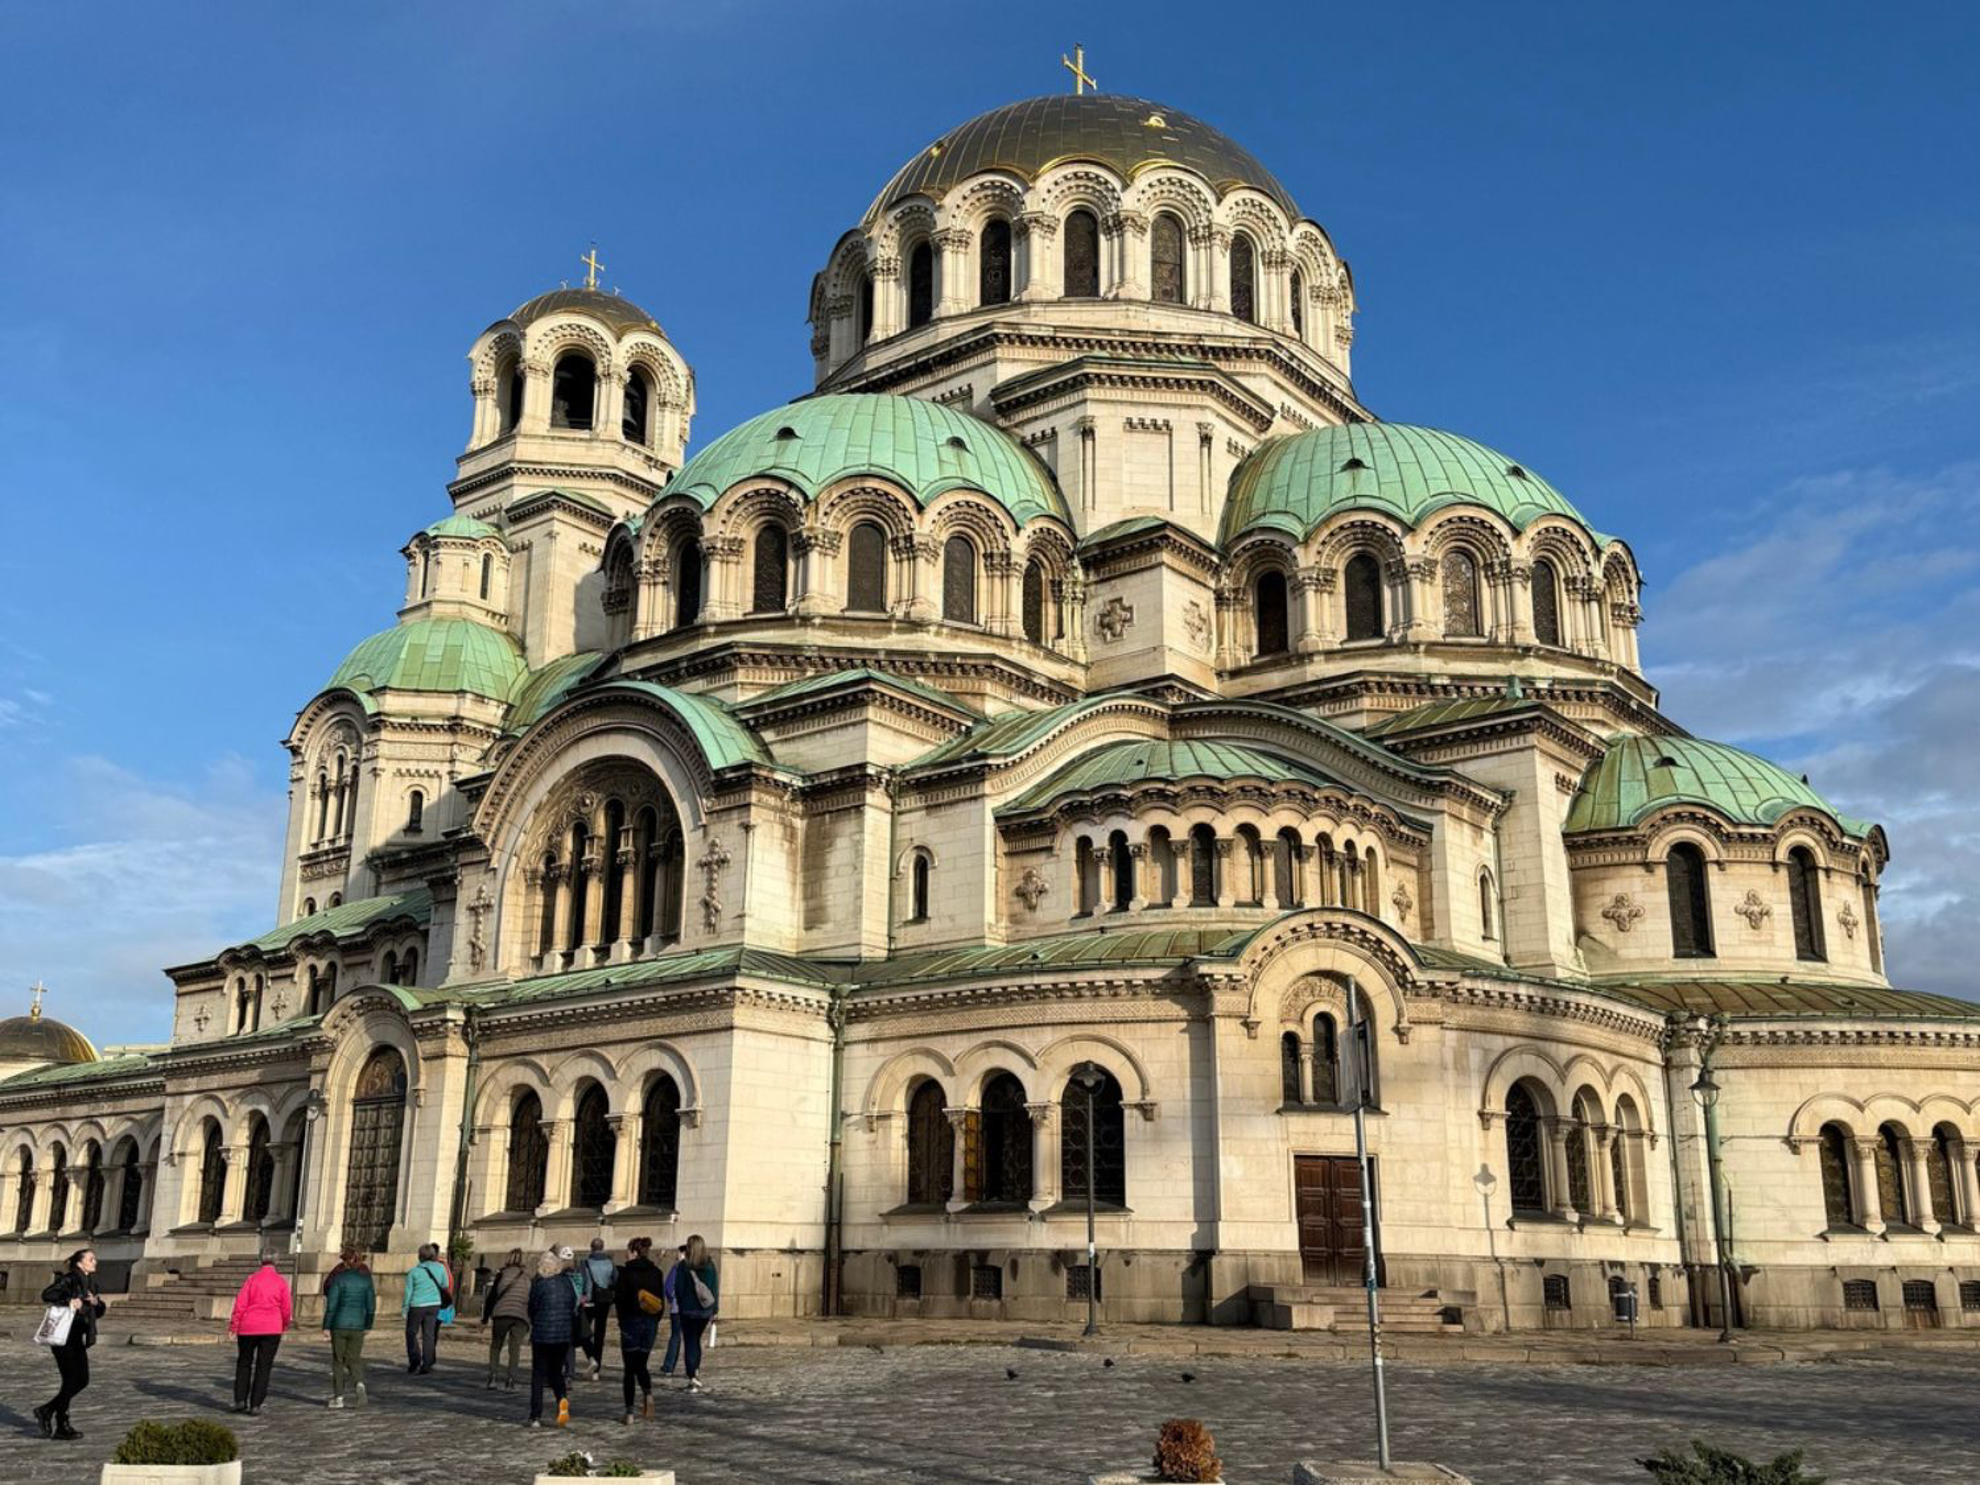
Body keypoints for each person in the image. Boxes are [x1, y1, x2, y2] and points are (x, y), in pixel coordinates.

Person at [35, 1247, 107, 1442]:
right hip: (64, 1337)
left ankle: (47, 1410)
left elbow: (99, 1311)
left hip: (78, 1337)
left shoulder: (91, 1283)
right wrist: (69, 1300)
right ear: (79, 1262)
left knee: (82, 1379)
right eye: (91, 1259)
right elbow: (47, 1294)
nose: (95, 1262)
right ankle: (62, 1424)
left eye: (95, 1259)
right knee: (70, 1380)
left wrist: (95, 1303)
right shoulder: (70, 1279)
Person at [227, 1252, 292, 1417]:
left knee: (244, 1363)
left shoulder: (252, 1280)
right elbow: (286, 1308)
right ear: (277, 1262)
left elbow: (240, 1304)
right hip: (272, 1327)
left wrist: (234, 1326)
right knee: (264, 1366)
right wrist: (283, 1325)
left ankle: (240, 1399)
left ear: (259, 1261)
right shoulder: (281, 1282)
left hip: (249, 1326)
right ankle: (256, 1403)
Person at [614, 1237, 665, 1424]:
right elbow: (661, 1302)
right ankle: (648, 1394)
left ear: (634, 1252)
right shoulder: (656, 1272)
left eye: (628, 1251)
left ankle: (629, 1412)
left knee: (629, 1369)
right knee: (641, 1363)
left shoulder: (626, 1273)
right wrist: (655, 1321)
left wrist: (621, 1322)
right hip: (650, 1323)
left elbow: (619, 1300)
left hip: (630, 1323)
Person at [526, 1248, 578, 1428]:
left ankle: (535, 1416)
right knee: (556, 1372)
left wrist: (535, 1320)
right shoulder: (566, 1283)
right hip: (563, 1335)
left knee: (538, 1375)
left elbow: (532, 1307)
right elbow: (572, 1304)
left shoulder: (539, 1284)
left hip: (542, 1334)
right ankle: (562, 1400)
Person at [321, 1247, 375, 1409]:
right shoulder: (366, 1280)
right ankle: (359, 1383)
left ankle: (338, 1397)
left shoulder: (339, 1279)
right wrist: (368, 1324)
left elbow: (331, 1305)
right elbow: (371, 1306)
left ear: (345, 1261)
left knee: (338, 1360)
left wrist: (326, 1325)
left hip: (339, 1323)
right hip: (358, 1324)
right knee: (354, 1358)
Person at [672, 1234, 718, 1394]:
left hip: (689, 1311)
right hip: (705, 1311)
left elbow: (678, 1288)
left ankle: (692, 1375)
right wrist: (715, 1309)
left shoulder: (684, 1266)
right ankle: (696, 1371)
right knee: (696, 1341)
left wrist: (681, 1302)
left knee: (690, 1342)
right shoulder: (710, 1265)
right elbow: (714, 1289)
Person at [482, 1246, 531, 1390]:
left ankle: (493, 1377)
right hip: (520, 1315)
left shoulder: (501, 1274)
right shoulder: (527, 1276)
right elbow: (531, 1297)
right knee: (514, 1349)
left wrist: (485, 1318)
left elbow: (492, 1298)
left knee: (496, 1346)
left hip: (501, 1313)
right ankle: (511, 1380)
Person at [402, 1241, 450, 1374]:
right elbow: (444, 1284)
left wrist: (405, 1308)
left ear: (420, 1256)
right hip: (434, 1304)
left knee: (411, 1333)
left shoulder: (414, 1272)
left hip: (417, 1305)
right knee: (429, 1335)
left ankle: (415, 1359)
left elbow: (408, 1292)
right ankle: (427, 1363)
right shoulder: (440, 1268)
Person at [578, 1236, 619, 1381]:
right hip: (604, 1301)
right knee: (600, 1335)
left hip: (589, 1301)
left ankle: (591, 1357)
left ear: (591, 1248)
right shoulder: (610, 1263)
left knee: (583, 1332)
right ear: (602, 1247)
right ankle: (597, 1370)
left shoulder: (585, 1263)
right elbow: (615, 1280)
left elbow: (581, 1282)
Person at [657, 1244, 687, 1380]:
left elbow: (668, 1287)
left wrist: (671, 1300)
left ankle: (669, 1367)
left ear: (683, 1254)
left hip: (677, 1308)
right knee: (691, 1340)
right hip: (692, 1309)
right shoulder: (697, 1268)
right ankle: (693, 1369)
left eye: (679, 1253)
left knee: (675, 1337)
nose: (677, 1255)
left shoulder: (677, 1268)